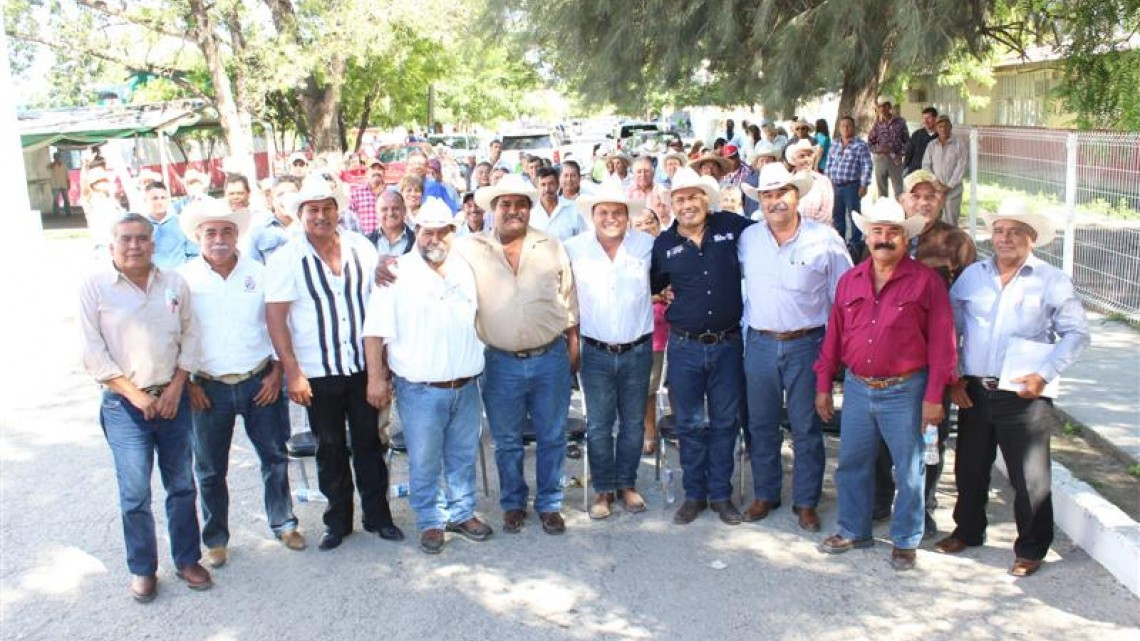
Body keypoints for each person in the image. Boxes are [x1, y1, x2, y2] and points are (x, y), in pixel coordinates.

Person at [938, 198, 1089, 577]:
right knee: (970, 467)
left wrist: (1044, 373)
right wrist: (954, 375)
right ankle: (968, 531)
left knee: (1030, 477)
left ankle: (1032, 548)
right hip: (974, 388)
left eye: (1015, 232)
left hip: (1025, 392)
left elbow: (1076, 334)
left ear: (1032, 238)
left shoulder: (1051, 280)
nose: (1005, 238)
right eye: (1000, 230)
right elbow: (950, 327)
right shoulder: (973, 276)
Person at [814, 196, 957, 572]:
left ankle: (906, 539)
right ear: (867, 236)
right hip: (860, 388)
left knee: (909, 470)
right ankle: (853, 529)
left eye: (893, 232)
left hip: (906, 391)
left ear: (905, 238)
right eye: (877, 231)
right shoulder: (850, 280)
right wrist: (823, 383)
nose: (884, 238)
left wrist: (934, 398)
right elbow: (835, 335)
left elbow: (944, 344)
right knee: (852, 464)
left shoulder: (926, 282)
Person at [265, 177, 403, 551]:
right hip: (317, 373)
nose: (321, 215)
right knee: (329, 449)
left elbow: (382, 301)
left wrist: (383, 368)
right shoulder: (286, 258)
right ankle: (337, 522)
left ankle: (378, 517)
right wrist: (292, 372)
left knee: (369, 444)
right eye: (313, 210)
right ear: (300, 214)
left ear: (337, 210)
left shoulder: (361, 248)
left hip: (363, 367)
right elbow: (276, 319)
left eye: (327, 208)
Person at [79, 213, 211, 602]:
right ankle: (142, 569)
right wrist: (138, 397)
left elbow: (191, 336)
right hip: (125, 406)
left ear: (153, 244)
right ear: (112, 246)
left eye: (142, 238)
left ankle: (187, 559)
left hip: (173, 400)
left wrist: (174, 391)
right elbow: (93, 353)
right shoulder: (95, 287)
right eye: (126, 239)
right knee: (135, 494)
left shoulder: (174, 283)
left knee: (182, 486)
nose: (134, 245)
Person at [178, 199, 305, 567]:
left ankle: (284, 523)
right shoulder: (184, 279)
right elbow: (176, 334)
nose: (220, 239)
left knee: (274, 458)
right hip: (207, 388)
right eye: (211, 232)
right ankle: (216, 539)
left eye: (227, 231)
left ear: (237, 235)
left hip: (258, 381)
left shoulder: (260, 273)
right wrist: (188, 386)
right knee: (210, 469)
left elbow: (279, 324)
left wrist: (278, 371)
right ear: (199, 237)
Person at [362, 198, 493, 555]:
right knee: (424, 458)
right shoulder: (395, 272)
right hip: (419, 388)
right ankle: (431, 520)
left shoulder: (468, 268)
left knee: (463, 454)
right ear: (415, 232)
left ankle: (462, 512)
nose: (434, 239)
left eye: (441, 232)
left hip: (466, 385)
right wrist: (376, 379)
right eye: (426, 231)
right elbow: (373, 332)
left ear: (454, 233)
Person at [739, 164, 852, 531]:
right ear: (761, 201)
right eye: (768, 195)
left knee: (806, 427)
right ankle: (766, 494)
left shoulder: (826, 239)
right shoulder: (749, 239)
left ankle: (806, 501)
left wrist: (837, 355)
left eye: (782, 193)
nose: (775, 202)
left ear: (796, 196)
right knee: (762, 425)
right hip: (758, 344)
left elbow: (845, 297)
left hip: (808, 344)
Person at [872, 168, 977, 530]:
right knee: (884, 432)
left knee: (931, 432)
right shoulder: (887, 235)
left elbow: (969, 309)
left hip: (935, 356)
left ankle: (923, 506)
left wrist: (955, 369)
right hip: (890, 355)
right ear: (904, 200)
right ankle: (883, 499)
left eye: (930, 196)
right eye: (915, 195)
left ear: (941, 200)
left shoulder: (956, 242)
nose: (923, 202)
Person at [651, 167, 754, 527]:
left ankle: (721, 495)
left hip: (727, 344)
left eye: (693, 196)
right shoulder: (664, 245)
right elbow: (654, 284)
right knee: (689, 424)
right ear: (672, 205)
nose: (687, 204)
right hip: (685, 347)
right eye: (679, 199)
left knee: (726, 421)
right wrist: (664, 292)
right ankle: (694, 494)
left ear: (706, 200)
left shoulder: (732, 227)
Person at [565, 181, 655, 519]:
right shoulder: (574, 248)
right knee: (600, 424)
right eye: (603, 212)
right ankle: (603, 489)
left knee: (633, 423)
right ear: (592, 215)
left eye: (617, 212)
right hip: (596, 351)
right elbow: (565, 297)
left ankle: (626, 484)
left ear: (628, 215)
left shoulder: (647, 245)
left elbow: (661, 283)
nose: (610, 217)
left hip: (638, 348)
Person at [631, 208, 669, 454]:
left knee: (678, 386)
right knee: (649, 388)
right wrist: (657, 295)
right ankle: (649, 430)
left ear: (658, 224)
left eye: (650, 222)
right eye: (640, 223)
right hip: (650, 333)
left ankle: (677, 427)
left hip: (677, 330)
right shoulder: (633, 253)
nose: (645, 227)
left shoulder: (669, 249)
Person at [826, 116, 873, 249]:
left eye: (848, 125)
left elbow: (867, 166)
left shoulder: (860, 145)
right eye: (843, 126)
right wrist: (828, 180)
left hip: (852, 186)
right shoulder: (835, 143)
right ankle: (839, 242)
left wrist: (864, 185)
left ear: (853, 127)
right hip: (836, 185)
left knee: (854, 216)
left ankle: (855, 244)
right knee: (837, 216)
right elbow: (829, 163)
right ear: (839, 128)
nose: (845, 128)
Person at [244, 175, 301, 264]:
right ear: (272, 200)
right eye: (280, 195)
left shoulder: (310, 228)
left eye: (292, 193)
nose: (286, 198)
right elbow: (251, 267)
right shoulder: (258, 231)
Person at [922, 115, 967, 227]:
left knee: (951, 223)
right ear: (936, 128)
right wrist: (936, 184)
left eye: (946, 126)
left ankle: (951, 244)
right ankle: (935, 244)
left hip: (953, 191)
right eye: (940, 126)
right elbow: (926, 165)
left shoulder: (959, 145)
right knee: (933, 222)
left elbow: (962, 166)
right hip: (935, 191)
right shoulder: (931, 145)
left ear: (951, 127)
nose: (943, 129)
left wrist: (948, 186)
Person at [143, 181, 199, 270]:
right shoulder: (140, 227)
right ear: (145, 200)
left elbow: (194, 254)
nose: (159, 202)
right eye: (155, 198)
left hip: (180, 278)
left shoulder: (182, 222)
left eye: (163, 198)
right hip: (152, 280)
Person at [784, 139, 834, 225]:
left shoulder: (823, 181)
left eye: (809, 155)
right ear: (794, 160)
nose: (807, 160)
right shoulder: (786, 182)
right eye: (802, 156)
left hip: (818, 233)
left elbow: (826, 214)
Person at [530, 166, 586, 242]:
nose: (547, 189)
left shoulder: (573, 209)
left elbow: (583, 238)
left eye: (551, 184)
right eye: (543, 185)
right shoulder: (531, 212)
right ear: (537, 187)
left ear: (558, 185)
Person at [867, 100, 909, 198]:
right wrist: (878, 149)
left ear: (889, 107)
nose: (882, 109)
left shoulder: (900, 122)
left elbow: (907, 142)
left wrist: (900, 154)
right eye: (880, 106)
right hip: (880, 160)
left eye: (885, 106)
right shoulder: (877, 124)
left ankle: (902, 212)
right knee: (882, 192)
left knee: (899, 191)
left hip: (895, 160)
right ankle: (884, 212)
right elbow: (869, 143)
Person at [348, 156, 387, 236]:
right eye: (373, 169)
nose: (377, 171)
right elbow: (349, 219)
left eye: (380, 169)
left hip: (386, 239)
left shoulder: (390, 193)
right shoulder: (357, 193)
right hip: (364, 240)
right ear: (366, 173)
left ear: (384, 173)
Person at [370, 190, 416, 256]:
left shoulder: (417, 240)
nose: (390, 213)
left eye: (395, 208)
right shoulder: (366, 242)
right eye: (384, 209)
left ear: (404, 210)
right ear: (377, 212)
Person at [904, 107, 938, 175]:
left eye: (928, 118)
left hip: (933, 173)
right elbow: (908, 153)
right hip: (915, 171)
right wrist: (905, 168)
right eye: (924, 118)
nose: (926, 121)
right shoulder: (917, 134)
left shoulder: (940, 136)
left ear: (935, 119)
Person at [49, 152, 72, 216]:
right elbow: (49, 168)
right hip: (55, 185)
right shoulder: (51, 165)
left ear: (60, 158)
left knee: (66, 199)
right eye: (56, 157)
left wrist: (69, 183)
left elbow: (67, 175)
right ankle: (56, 213)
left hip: (64, 184)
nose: (57, 158)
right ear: (54, 158)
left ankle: (68, 212)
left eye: (58, 157)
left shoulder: (64, 165)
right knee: (56, 200)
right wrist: (55, 163)